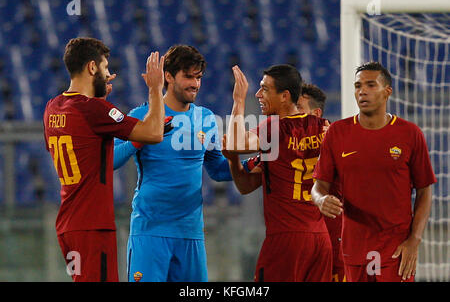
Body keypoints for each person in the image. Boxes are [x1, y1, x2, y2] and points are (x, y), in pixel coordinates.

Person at [43, 37, 166, 281]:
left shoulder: (52, 108)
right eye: (105, 68)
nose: (109, 75)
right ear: (92, 67)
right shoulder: (94, 111)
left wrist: (99, 99)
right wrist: (155, 89)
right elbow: (154, 132)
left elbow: (85, 139)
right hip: (92, 226)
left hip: (68, 225)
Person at [113, 44, 232, 282]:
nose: (195, 84)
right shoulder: (140, 116)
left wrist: (254, 165)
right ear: (168, 76)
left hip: (190, 234)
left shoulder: (206, 118)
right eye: (188, 76)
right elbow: (111, 161)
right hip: (150, 231)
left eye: (198, 77)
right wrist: (142, 138)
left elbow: (218, 169)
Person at [311, 61, 436, 282]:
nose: (362, 91)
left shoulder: (410, 134)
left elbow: (425, 190)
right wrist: (320, 200)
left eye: (370, 85)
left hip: (397, 250)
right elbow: (319, 186)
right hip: (353, 248)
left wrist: (414, 240)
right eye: (358, 86)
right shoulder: (337, 133)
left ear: (387, 91)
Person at [223, 64, 332, 282]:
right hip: (321, 240)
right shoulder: (323, 127)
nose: (258, 94)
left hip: (287, 239)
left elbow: (235, 142)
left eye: (264, 89)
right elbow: (245, 186)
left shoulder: (274, 128)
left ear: (284, 96)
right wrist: (233, 160)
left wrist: (239, 100)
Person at [242, 83, 346, 282]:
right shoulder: (283, 146)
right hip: (310, 245)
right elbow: (244, 177)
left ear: (316, 114)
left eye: (298, 107)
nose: (292, 112)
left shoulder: (335, 143)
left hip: (335, 248)